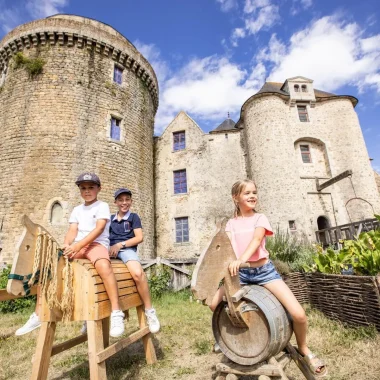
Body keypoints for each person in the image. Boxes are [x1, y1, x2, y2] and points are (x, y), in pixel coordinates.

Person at [210, 179, 327, 377]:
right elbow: (225, 245)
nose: (252, 196)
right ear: (235, 198)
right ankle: (229, 340)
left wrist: (241, 260)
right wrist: (227, 263)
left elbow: (256, 241)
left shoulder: (260, 219)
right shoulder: (230, 224)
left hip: (263, 272)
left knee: (299, 315)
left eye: (254, 192)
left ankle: (304, 349)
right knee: (214, 304)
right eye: (247, 193)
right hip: (239, 275)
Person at [16, 173, 125, 338]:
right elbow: (72, 230)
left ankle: (116, 311)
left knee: (104, 266)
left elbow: (99, 229)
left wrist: (78, 245)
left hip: (95, 244)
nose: (87, 191)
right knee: (49, 267)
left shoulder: (102, 206)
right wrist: (67, 244)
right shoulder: (77, 210)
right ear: (79, 190)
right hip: (77, 245)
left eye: (91, 187)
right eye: (83, 188)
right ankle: (38, 313)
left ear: (99, 189)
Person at [109, 188, 160, 334]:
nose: (124, 203)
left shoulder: (133, 217)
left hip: (126, 249)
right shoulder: (110, 219)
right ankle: (95, 317)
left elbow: (139, 237)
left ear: (131, 201)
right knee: (97, 271)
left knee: (138, 274)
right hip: (110, 250)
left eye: (127, 200)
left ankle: (150, 311)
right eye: (121, 200)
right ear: (116, 202)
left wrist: (121, 245)